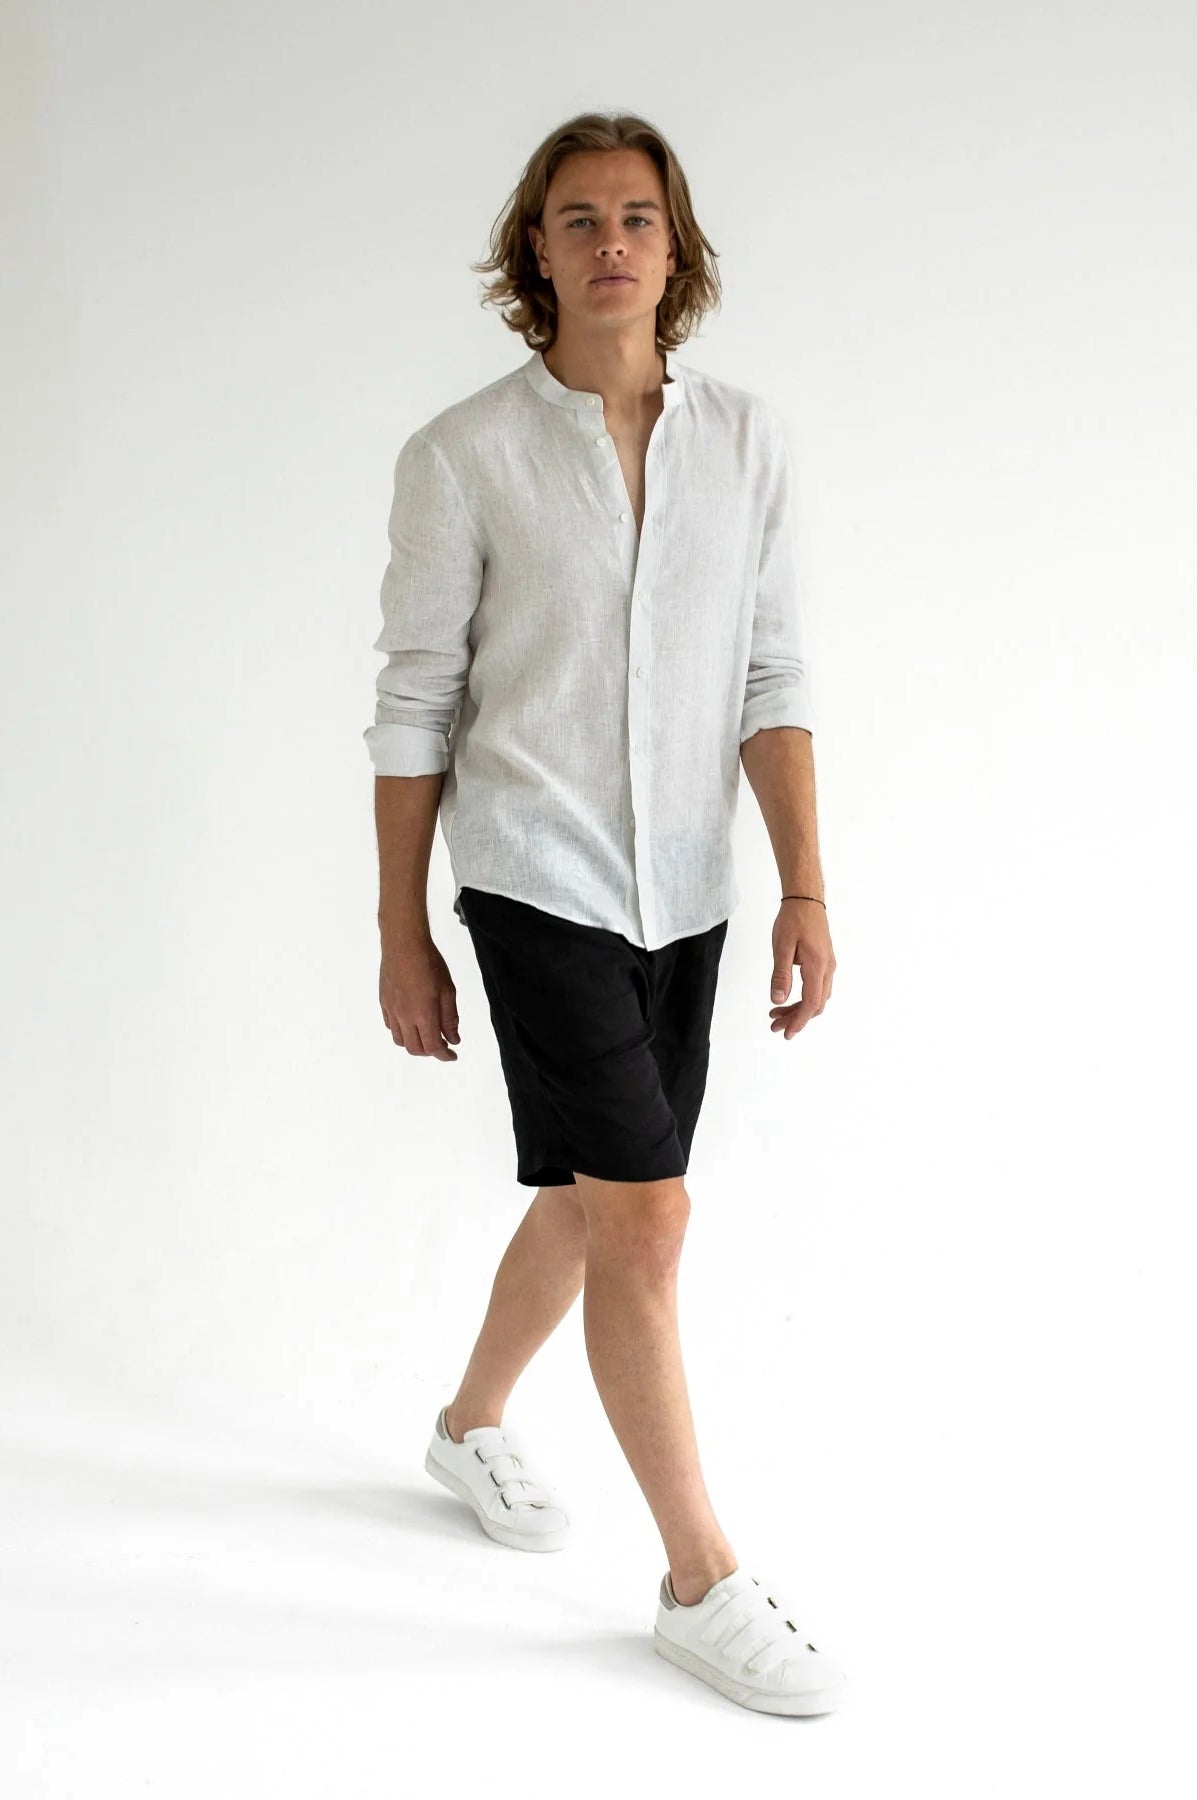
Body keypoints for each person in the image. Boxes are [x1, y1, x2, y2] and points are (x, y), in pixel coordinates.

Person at [364, 111, 846, 1717]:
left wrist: (801, 883)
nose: (611, 242)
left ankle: (467, 1426)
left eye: (637, 215)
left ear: (675, 245)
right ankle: (700, 1580)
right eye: (577, 218)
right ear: (538, 250)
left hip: (688, 887)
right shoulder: (462, 455)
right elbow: (416, 702)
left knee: (589, 1201)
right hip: (534, 877)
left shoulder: (749, 444)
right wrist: (401, 929)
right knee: (645, 1218)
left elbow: (770, 674)